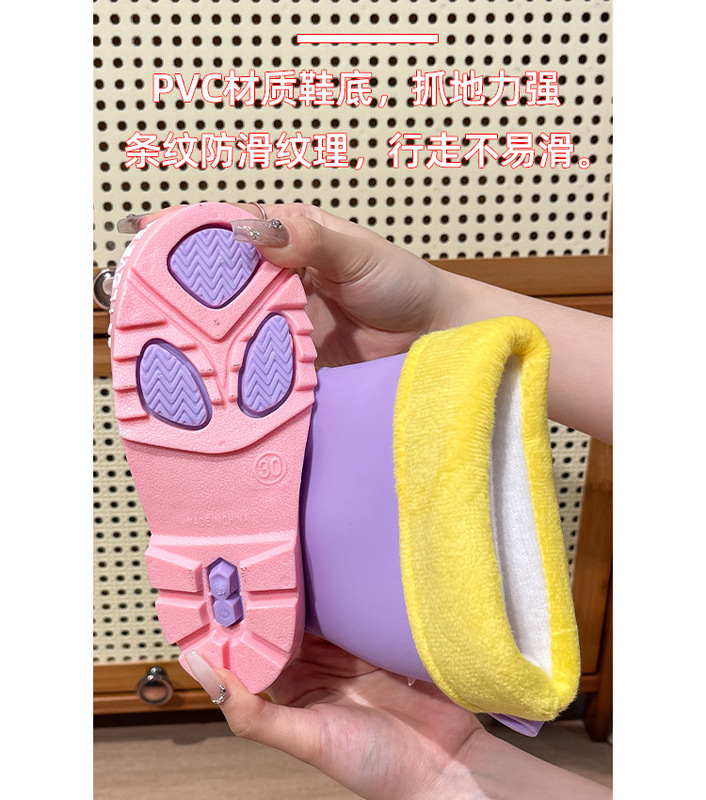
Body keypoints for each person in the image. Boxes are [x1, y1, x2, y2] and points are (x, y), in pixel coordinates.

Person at [120, 202, 613, 800]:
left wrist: (444, 775)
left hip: (386, 611)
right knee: (355, 465)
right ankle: (366, 486)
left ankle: (362, 466)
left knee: (351, 454)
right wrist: (438, 310)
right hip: (393, 615)